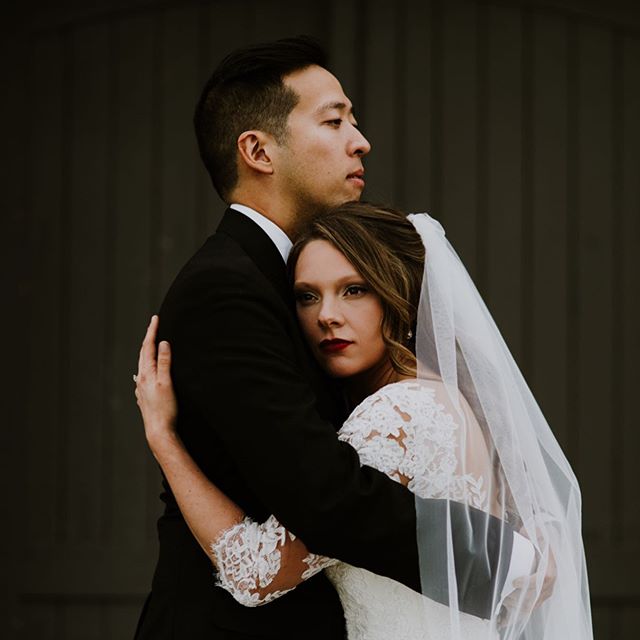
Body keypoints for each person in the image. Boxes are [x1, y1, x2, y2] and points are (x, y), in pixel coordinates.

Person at [132, 37, 514, 639]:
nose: (360, 141)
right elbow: (327, 495)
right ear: (258, 150)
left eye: (352, 291)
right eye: (334, 121)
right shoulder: (225, 289)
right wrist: (500, 559)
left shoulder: (276, 275)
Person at [134, 202, 592, 639]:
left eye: (354, 290)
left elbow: (257, 573)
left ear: (398, 297)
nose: (327, 316)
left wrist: (165, 440)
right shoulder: (446, 400)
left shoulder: (398, 415)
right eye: (307, 296)